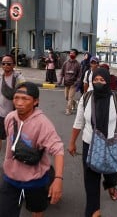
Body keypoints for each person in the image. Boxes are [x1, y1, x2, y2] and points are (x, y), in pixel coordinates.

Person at [68, 68, 117, 217]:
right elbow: (78, 122)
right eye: (95, 80)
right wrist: (72, 142)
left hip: (112, 143)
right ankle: (94, 211)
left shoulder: (116, 98)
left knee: (111, 174)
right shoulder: (86, 97)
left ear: (107, 81)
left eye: (102, 80)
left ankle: (111, 186)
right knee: (91, 181)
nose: (98, 83)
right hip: (90, 143)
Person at [0, 82, 64, 217]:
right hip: (10, 178)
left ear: (35, 101)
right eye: (16, 98)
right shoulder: (10, 118)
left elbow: (58, 149)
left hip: (36, 180)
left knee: (37, 211)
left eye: (25, 99)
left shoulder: (43, 124)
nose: (19, 103)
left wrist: (58, 179)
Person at [0, 54, 25, 151]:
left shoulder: (18, 78)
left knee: (13, 140)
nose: (6, 65)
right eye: (4, 63)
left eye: (9, 64)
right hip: (1, 114)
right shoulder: (0, 78)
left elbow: (25, 91)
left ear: (13, 65)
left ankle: (12, 160)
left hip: (14, 115)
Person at [58, 48, 81, 115]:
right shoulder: (66, 63)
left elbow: (80, 75)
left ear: (76, 55)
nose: (71, 54)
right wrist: (60, 80)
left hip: (73, 84)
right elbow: (62, 72)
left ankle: (68, 110)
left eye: (73, 53)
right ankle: (74, 103)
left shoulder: (78, 64)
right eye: (70, 53)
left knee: (70, 98)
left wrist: (76, 82)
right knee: (67, 97)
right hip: (66, 83)